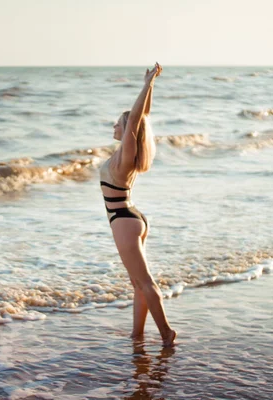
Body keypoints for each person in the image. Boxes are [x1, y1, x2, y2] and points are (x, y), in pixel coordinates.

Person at [100, 63, 176, 346]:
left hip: (123, 219)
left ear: (128, 130)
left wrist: (147, 83)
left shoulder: (125, 155)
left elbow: (137, 118)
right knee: (138, 283)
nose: (115, 126)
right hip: (131, 217)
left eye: (118, 124)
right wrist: (150, 85)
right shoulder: (124, 156)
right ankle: (137, 333)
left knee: (144, 282)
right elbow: (142, 117)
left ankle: (166, 333)